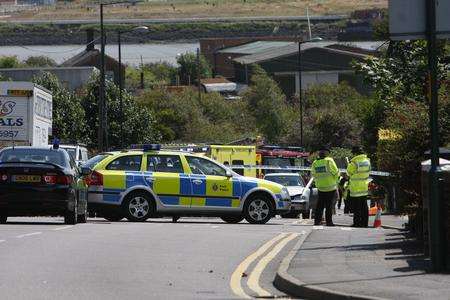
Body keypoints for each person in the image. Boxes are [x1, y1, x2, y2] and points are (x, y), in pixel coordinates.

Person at [311, 148, 339, 226]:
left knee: (319, 205)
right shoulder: (329, 161)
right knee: (328, 206)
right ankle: (329, 222)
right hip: (330, 187)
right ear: (326, 154)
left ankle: (317, 221)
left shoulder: (315, 163)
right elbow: (336, 172)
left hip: (321, 187)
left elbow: (313, 174)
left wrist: (318, 182)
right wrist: (336, 181)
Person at [347, 146, 371, 227]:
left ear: (355, 153)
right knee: (364, 206)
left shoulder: (354, 162)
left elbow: (348, 173)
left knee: (356, 207)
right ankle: (365, 223)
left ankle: (357, 223)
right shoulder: (367, 161)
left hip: (356, 188)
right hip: (364, 186)